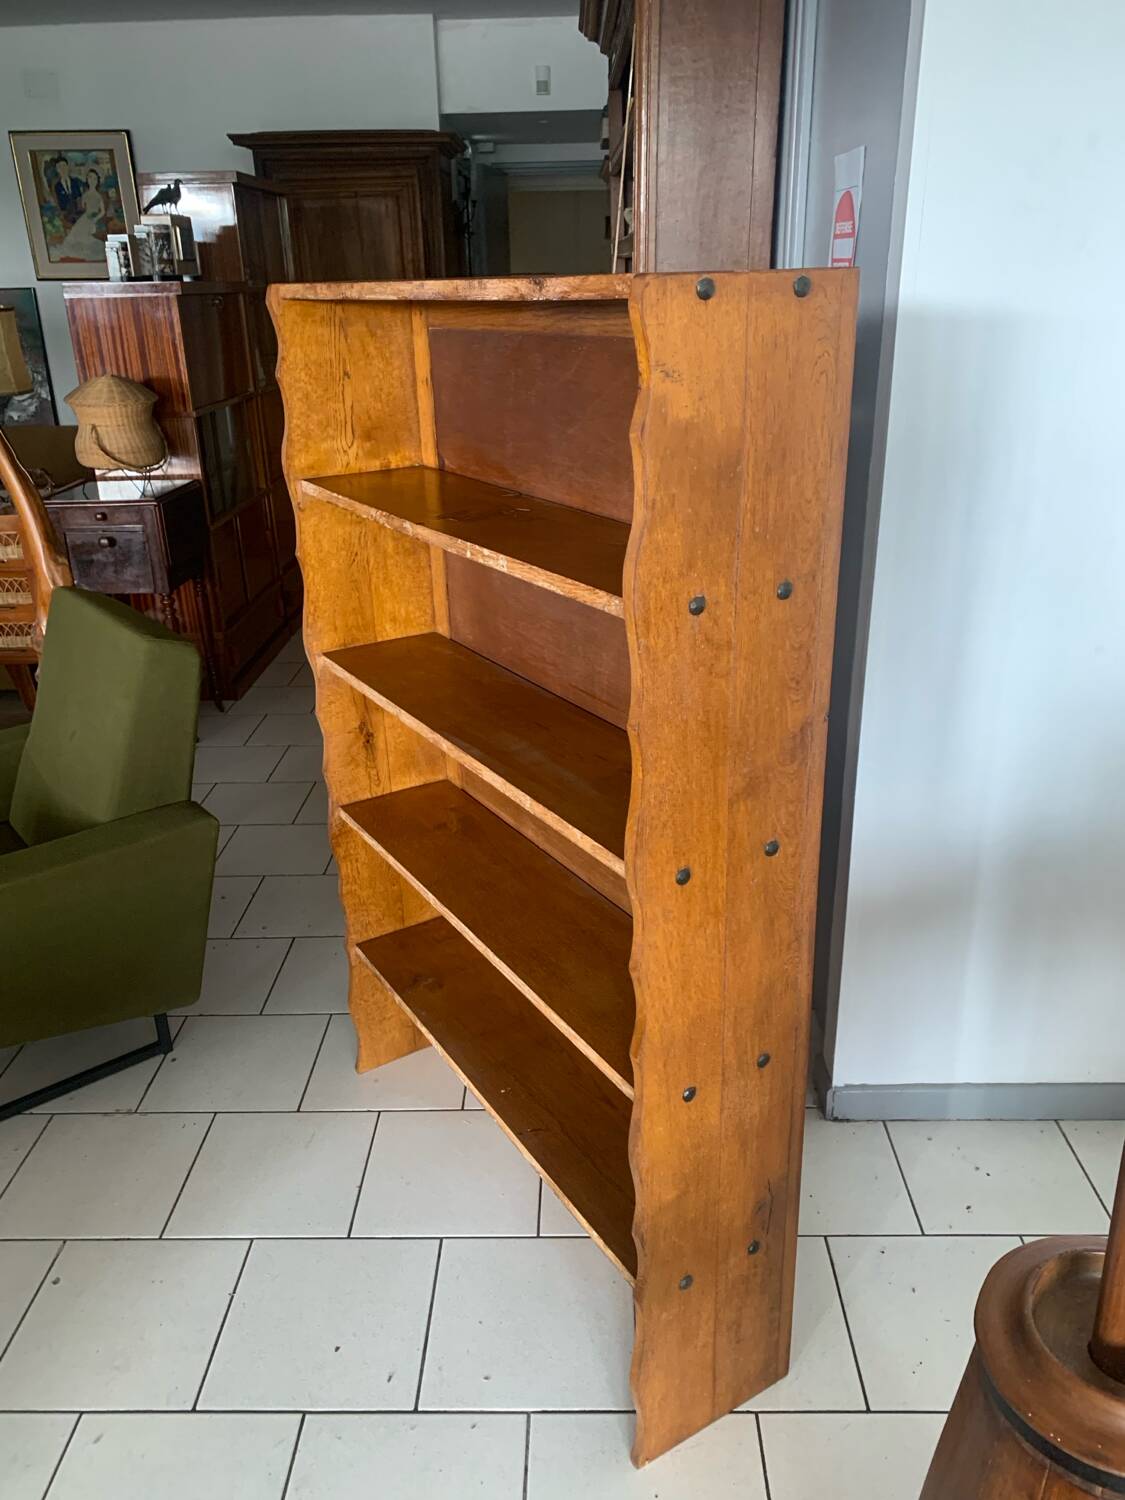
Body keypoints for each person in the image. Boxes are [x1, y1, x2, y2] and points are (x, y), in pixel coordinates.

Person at [55, 168, 106, 262]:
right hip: (85, 217)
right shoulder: (85, 195)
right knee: (76, 233)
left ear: (97, 181)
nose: (92, 181)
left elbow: (102, 211)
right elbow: (82, 208)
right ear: (87, 180)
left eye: (94, 178)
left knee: (85, 234)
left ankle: (86, 250)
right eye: (90, 178)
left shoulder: (99, 196)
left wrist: (95, 219)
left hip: (93, 218)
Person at [51, 155, 85, 220]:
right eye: (59, 167)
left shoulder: (75, 182)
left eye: (64, 166)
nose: (62, 169)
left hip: (78, 213)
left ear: (67, 167)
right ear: (57, 170)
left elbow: (80, 196)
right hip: (66, 215)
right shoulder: (57, 186)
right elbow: (57, 202)